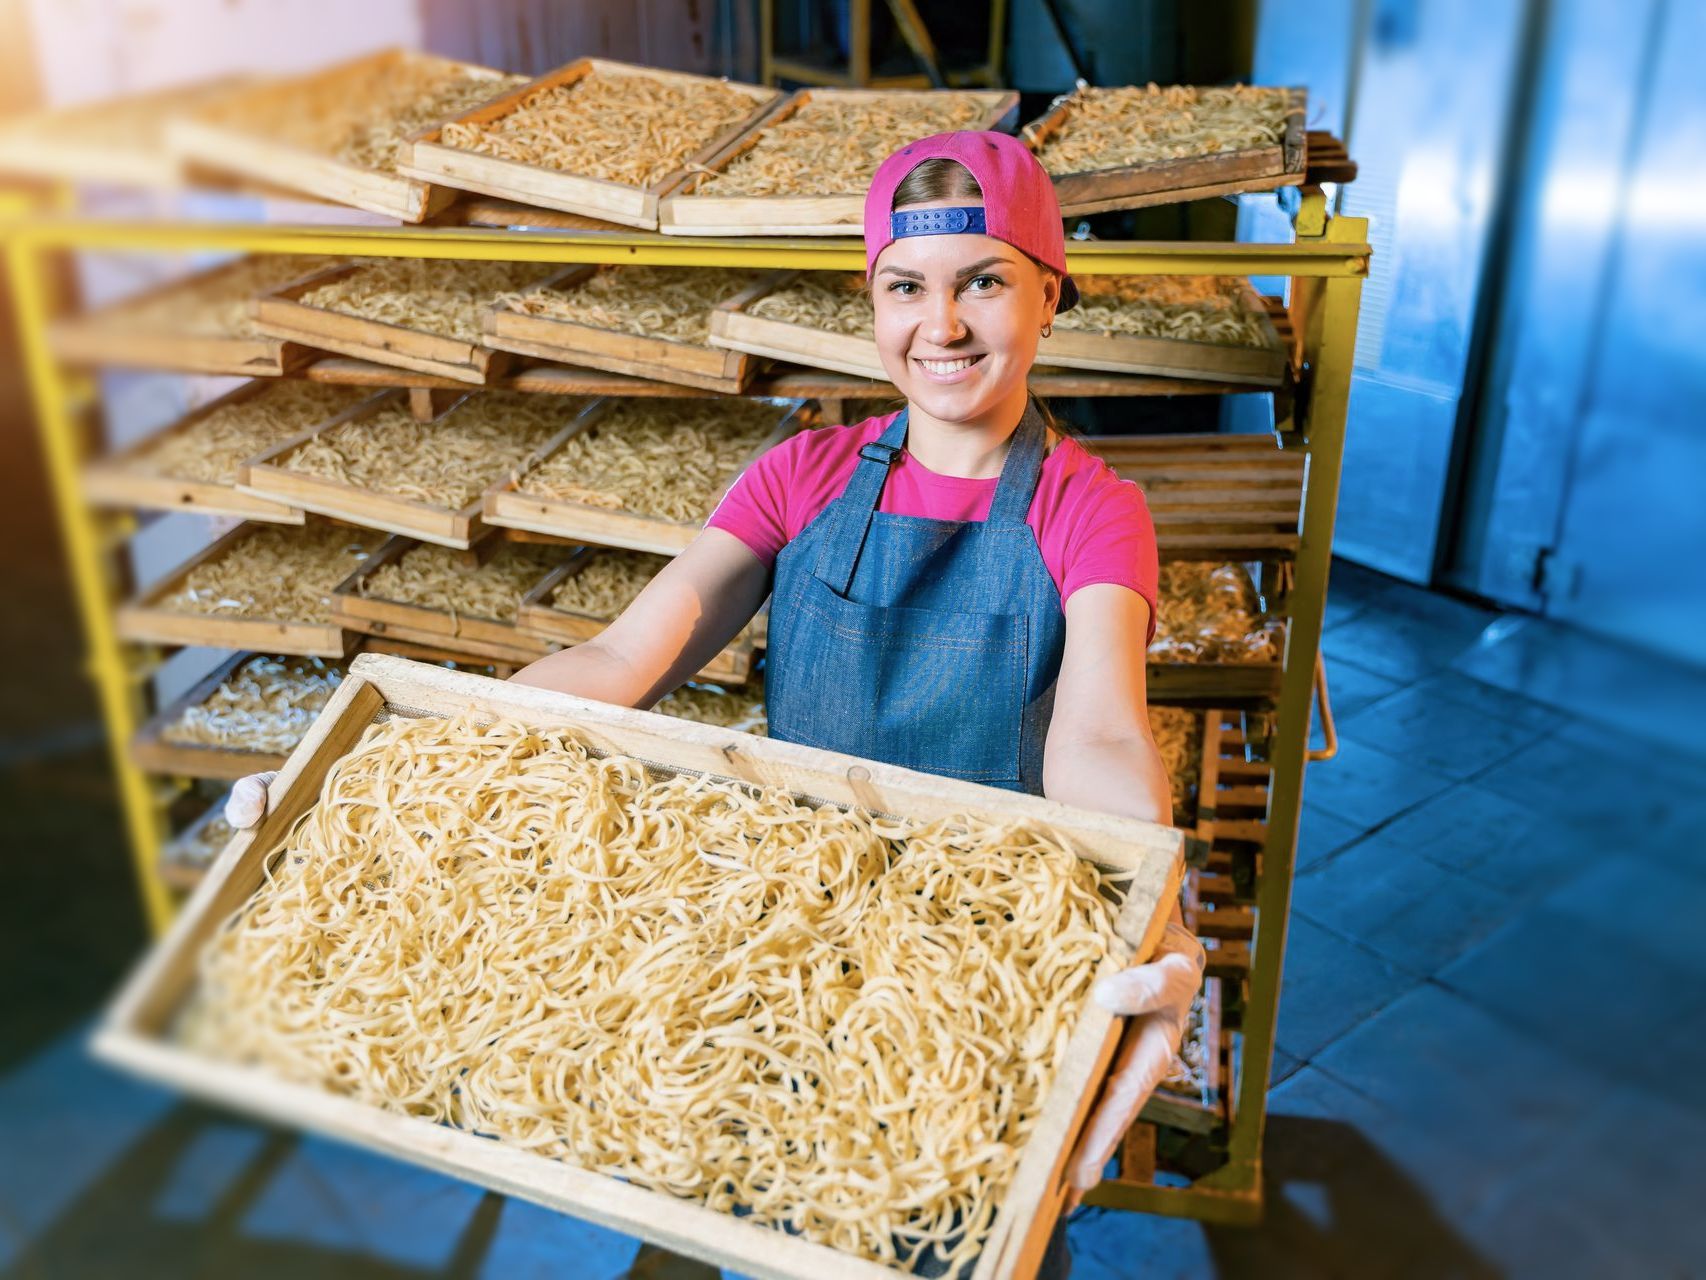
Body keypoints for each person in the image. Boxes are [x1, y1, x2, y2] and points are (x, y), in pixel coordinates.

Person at [225, 130, 1205, 1277]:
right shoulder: (804, 473)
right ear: (872, 300)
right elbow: (619, 656)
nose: (940, 327)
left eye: (981, 281)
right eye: (905, 288)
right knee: (751, 1189)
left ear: (1049, 292)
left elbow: (1097, 730)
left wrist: (1153, 902)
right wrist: (385, 765)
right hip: (787, 923)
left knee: (934, 1215)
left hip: (974, 949)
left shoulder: (1093, 508)